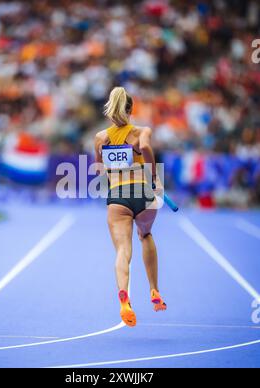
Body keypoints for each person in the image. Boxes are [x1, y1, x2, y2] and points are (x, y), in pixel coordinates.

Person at [94, 87, 166, 328]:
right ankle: (154, 290)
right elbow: (145, 148)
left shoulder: (100, 137)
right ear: (131, 109)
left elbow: (98, 169)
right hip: (143, 194)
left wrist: (111, 172)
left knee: (123, 251)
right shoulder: (141, 131)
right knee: (145, 235)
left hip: (118, 198)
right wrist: (153, 176)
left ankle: (124, 297)